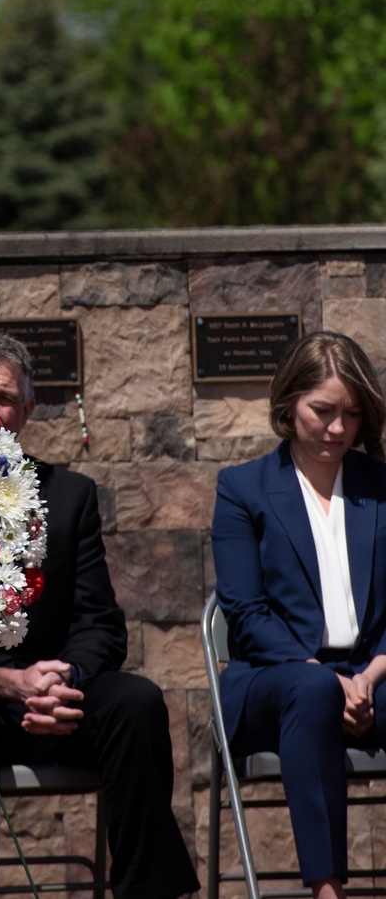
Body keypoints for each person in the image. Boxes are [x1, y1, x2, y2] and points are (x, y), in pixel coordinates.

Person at [0, 332, 199, 899]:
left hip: (57, 701)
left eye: (4, 400)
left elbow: (101, 624)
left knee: (136, 702)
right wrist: (1, 679)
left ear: (27, 412)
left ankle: (149, 892)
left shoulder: (68, 496)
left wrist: (59, 679)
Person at [212, 329, 386, 899]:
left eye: (352, 415)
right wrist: (329, 679)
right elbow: (246, 610)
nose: (338, 429)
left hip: (371, 674)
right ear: (288, 403)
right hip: (274, 677)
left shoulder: (381, 488)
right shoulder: (243, 489)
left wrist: (370, 675)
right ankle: (327, 889)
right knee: (312, 691)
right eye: (323, 411)